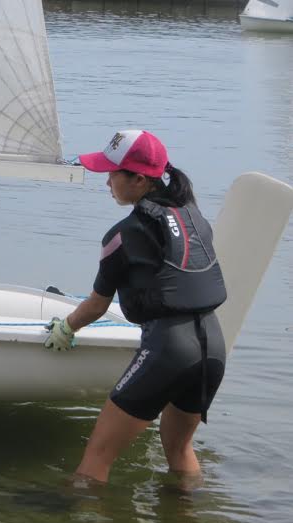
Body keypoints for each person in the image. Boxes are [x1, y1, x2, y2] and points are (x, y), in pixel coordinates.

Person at [44, 130, 227, 484]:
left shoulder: (122, 236)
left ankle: (81, 517)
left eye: (112, 174)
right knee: (179, 450)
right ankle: (189, 515)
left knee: (97, 458)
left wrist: (66, 328)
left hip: (169, 351)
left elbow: (97, 305)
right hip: (212, 348)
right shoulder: (195, 218)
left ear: (139, 180)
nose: (107, 182)